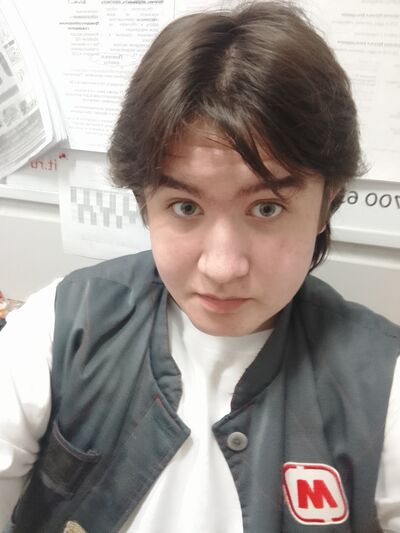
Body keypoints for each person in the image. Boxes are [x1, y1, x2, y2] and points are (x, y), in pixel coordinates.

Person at [0, 2, 399, 532]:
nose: (222, 267)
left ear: (327, 203)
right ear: (145, 202)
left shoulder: (384, 385)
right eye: (186, 207)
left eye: (267, 208)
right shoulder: (60, 326)